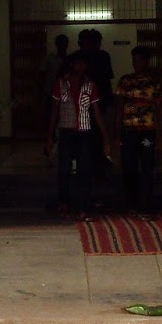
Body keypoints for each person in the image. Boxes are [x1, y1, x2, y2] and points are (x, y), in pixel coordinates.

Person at [47, 54, 105, 220]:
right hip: (66, 131)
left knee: (85, 170)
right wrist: (50, 136)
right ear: (71, 65)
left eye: (82, 63)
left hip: (85, 131)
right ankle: (64, 202)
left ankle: (83, 206)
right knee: (64, 170)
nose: (79, 67)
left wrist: (105, 137)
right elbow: (54, 111)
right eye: (77, 63)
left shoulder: (90, 86)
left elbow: (97, 113)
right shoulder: (61, 84)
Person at [112, 46, 162, 215]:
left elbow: (158, 110)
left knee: (147, 167)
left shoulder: (154, 83)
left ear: (146, 61)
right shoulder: (125, 81)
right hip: (128, 130)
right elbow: (119, 107)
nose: (136, 63)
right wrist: (117, 131)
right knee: (129, 167)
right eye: (134, 60)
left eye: (140, 60)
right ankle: (131, 202)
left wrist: (160, 135)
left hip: (147, 130)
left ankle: (145, 204)